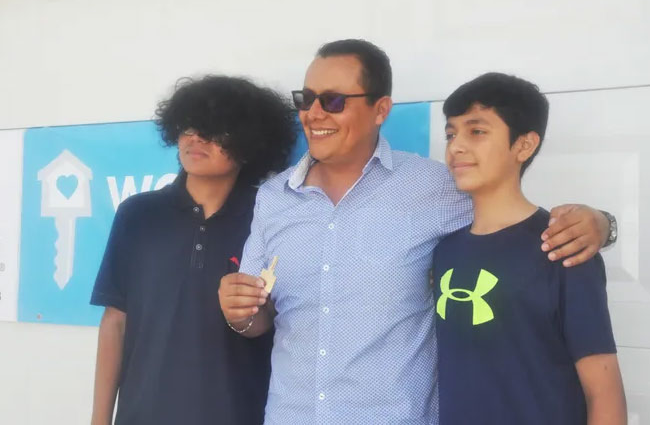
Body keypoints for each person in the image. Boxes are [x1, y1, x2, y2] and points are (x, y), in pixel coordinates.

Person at [218, 39, 615, 424]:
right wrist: (240, 313)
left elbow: (509, 215)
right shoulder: (273, 198)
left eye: (333, 100)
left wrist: (602, 224)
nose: (314, 113)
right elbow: (258, 317)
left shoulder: (436, 186)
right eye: (306, 99)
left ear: (380, 109)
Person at [90, 75, 296, 425]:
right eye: (188, 126)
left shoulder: (272, 219)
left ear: (251, 143)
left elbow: (287, 321)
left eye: (216, 130)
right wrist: (99, 420)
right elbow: (115, 323)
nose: (196, 138)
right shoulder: (137, 215)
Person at [432, 72, 626, 424]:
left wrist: (603, 223)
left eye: (477, 131)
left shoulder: (563, 247)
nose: (456, 146)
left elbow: (604, 393)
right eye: (451, 134)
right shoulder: (444, 251)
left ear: (524, 145)